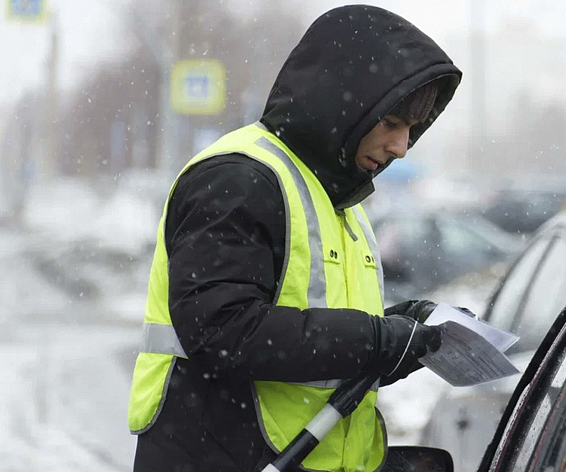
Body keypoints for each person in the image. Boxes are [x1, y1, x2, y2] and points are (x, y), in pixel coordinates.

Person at [128, 5, 462, 472]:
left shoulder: (337, 200)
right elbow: (221, 331)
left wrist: (406, 335)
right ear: (342, 104)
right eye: (391, 123)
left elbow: (313, 348)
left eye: (410, 129)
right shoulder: (239, 178)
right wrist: (377, 340)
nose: (401, 147)